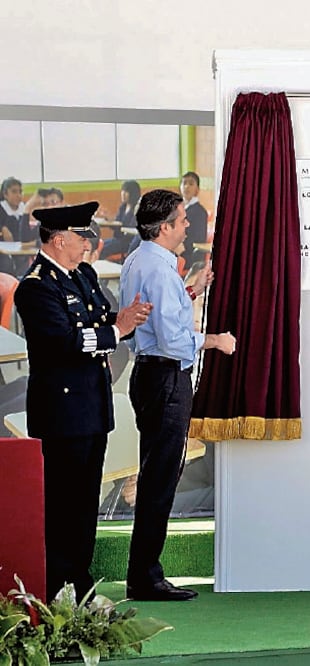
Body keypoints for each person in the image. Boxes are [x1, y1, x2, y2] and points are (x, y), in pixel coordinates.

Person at [13, 201, 151, 601]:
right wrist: (114, 331)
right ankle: (58, 587)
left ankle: (81, 578)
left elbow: (104, 318)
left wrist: (119, 323)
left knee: (86, 499)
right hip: (61, 412)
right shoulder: (36, 287)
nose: (89, 244)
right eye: (82, 237)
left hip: (92, 405)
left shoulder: (83, 275)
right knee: (62, 503)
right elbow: (63, 343)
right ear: (58, 240)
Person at [120, 189, 236, 601]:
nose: (188, 226)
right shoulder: (159, 269)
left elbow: (153, 316)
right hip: (167, 378)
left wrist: (190, 289)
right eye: (183, 219)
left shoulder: (140, 260)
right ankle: (146, 578)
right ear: (165, 226)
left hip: (150, 378)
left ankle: (145, 573)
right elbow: (171, 340)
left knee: (157, 475)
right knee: (160, 480)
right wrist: (216, 340)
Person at [101, 179, 141, 260]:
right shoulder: (123, 207)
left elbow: (131, 227)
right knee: (98, 245)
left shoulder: (136, 208)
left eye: (126, 191)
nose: (123, 194)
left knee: (101, 250)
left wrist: (117, 223)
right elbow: (117, 224)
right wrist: (109, 219)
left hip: (126, 242)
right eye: (122, 191)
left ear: (132, 193)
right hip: (117, 239)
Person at [179, 171, 209, 268]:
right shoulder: (177, 208)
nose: (187, 186)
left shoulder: (200, 212)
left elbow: (199, 240)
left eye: (191, 184)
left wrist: (180, 246)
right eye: (184, 183)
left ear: (197, 190)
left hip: (189, 255)